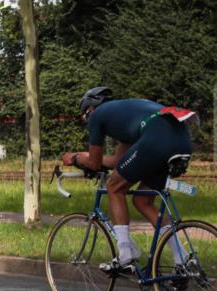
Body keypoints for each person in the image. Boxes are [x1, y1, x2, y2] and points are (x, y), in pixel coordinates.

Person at [63, 87, 193, 267]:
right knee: (142, 201)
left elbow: (94, 163)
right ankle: (182, 258)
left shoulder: (97, 115)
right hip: (181, 140)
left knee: (114, 187)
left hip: (156, 138)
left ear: (89, 110)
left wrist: (76, 158)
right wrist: (87, 157)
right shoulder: (126, 114)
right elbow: (117, 161)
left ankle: (125, 254)